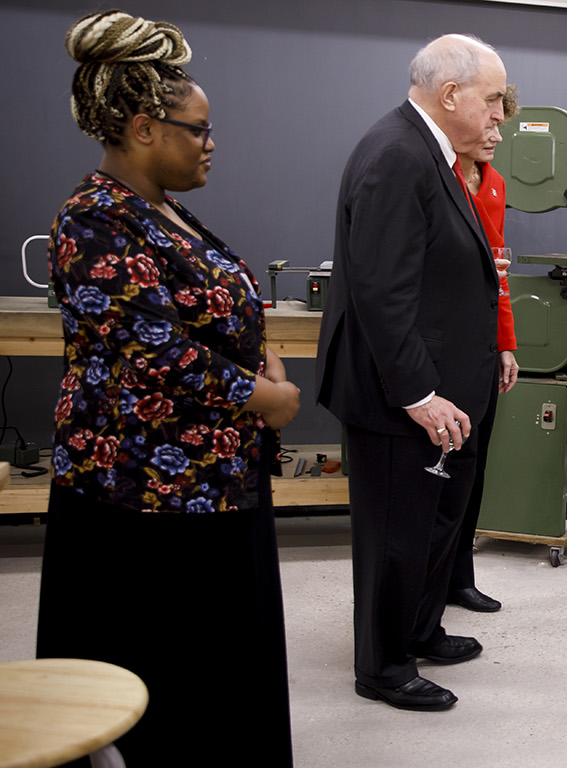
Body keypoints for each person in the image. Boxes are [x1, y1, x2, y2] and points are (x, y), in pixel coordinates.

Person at [37, 10, 301, 765]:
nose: (210, 143)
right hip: (142, 496)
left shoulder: (167, 212)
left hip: (211, 481)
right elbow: (156, 352)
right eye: (197, 129)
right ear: (145, 129)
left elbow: (204, 319)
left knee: (218, 677)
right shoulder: (93, 218)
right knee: (162, 680)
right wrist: (264, 398)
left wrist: (259, 368)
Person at [316, 33, 506, 712]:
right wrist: (420, 395)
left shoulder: (431, 152)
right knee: (397, 535)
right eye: (492, 100)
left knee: (433, 527)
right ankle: (385, 665)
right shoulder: (398, 154)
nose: (500, 115)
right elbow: (381, 292)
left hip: (444, 393)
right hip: (400, 399)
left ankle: (421, 628)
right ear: (450, 93)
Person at [448, 87, 521, 614]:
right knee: (444, 473)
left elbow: (498, 272)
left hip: (481, 344)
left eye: (502, 128)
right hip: (443, 346)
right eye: (490, 125)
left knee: (473, 469)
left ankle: (459, 578)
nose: (496, 136)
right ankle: (433, 583)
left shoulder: (492, 184)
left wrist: (506, 344)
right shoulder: (439, 177)